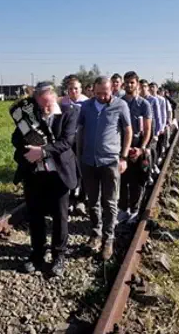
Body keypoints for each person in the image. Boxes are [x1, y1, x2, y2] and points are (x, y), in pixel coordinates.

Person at [11, 82, 80, 276]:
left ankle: (59, 256)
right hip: (35, 174)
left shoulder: (69, 112)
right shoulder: (30, 115)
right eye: (41, 104)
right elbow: (15, 139)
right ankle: (37, 254)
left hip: (59, 174)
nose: (45, 108)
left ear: (55, 97)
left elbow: (66, 142)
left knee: (60, 216)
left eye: (47, 103)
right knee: (35, 215)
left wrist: (41, 151)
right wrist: (27, 145)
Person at [77, 76, 132, 260]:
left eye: (105, 93)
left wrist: (123, 157)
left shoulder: (120, 105)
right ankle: (96, 234)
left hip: (110, 161)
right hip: (88, 162)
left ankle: (109, 238)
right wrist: (79, 157)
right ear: (93, 90)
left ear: (112, 90)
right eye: (98, 93)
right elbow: (80, 131)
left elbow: (128, 131)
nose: (101, 97)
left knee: (109, 202)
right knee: (93, 201)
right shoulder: (86, 107)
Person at [117, 71, 153, 224]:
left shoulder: (144, 104)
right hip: (121, 145)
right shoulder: (118, 102)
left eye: (132, 82)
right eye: (127, 82)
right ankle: (123, 209)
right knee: (122, 179)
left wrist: (142, 148)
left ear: (137, 84)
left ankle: (134, 209)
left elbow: (147, 128)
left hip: (137, 146)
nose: (129, 85)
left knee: (137, 180)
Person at [60, 75, 88, 216]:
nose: (73, 91)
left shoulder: (87, 103)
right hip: (67, 140)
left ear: (80, 89)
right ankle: (69, 199)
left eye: (76, 88)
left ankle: (81, 199)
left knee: (81, 169)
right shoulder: (63, 103)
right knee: (68, 169)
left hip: (81, 139)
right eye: (70, 89)